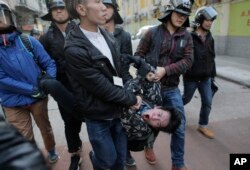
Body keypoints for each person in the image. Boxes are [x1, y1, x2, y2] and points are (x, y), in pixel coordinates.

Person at [64, 0, 142, 170]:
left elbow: (120, 70)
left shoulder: (106, 34)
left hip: (119, 110)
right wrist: (130, 99)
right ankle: (96, 158)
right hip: (98, 115)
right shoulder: (74, 48)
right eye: (98, 1)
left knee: (120, 159)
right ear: (82, 10)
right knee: (107, 160)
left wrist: (132, 87)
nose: (103, 6)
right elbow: (101, 88)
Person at [134, 0, 193, 169]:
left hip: (171, 88)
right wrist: (148, 71)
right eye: (178, 13)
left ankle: (178, 163)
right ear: (169, 12)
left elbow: (189, 60)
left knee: (179, 126)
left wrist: (165, 70)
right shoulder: (152, 33)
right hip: (150, 89)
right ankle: (149, 146)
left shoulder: (186, 36)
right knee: (153, 124)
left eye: (185, 15)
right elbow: (138, 56)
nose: (181, 18)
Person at [0, 0, 59, 164]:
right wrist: (31, 89)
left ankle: (52, 150)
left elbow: (49, 63)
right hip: (12, 102)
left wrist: (48, 81)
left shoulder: (27, 41)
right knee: (23, 137)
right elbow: (2, 78)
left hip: (38, 97)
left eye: (2, 14)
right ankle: (32, 162)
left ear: (10, 17)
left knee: (45, 129)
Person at [39, 1, 83, 169]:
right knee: (69, 120)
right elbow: (42, 62)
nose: (58, 11)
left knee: (89, 117)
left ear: (68, 11)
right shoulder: (46, 37)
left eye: (61, 8)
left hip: (85, 84)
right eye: (55, 9)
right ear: (51, 13)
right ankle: (75, 153)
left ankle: (97, 151)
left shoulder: (80, 29)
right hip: (62, 86)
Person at [102, 0, 136, 166]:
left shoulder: (124, 36)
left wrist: (129, 86)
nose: (104, 9)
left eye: (108, 6)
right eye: (101, 5)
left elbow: (127, 61)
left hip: (121, 84)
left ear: (114, 10)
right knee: (106, 127)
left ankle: (126, 153)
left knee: (124, 124)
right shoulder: (94, 33)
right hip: (100, 86)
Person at [182, 6, 218, 139]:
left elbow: (212, 57)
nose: (209, 23)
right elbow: (183, 57)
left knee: (207, 102)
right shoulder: (189, 36)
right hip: (191, 78)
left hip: (205, 78)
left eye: (211, 21)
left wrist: (212, 77)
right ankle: (173, 113)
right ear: (200, 19)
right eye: (207, 20)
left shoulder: (209, 37)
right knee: (184, 100)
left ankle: (202, 125)